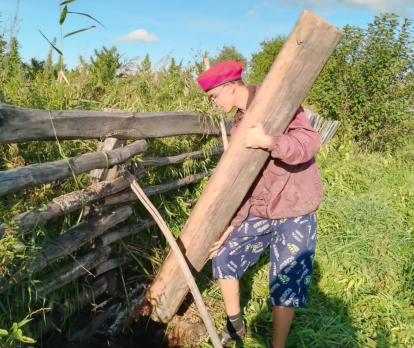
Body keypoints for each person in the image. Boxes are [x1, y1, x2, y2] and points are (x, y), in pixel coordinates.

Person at [196, 60, 323, 348]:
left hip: (295, 207)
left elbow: (309, 142)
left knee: (286, 281)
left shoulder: (280, 101)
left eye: (214, 97)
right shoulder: (238, 121)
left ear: (229, 87)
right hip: (261, 208)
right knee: (224, 254)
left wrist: (269, 141)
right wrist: (233, 223)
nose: (214, 103)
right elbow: (246, 178)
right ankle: (235, 325)